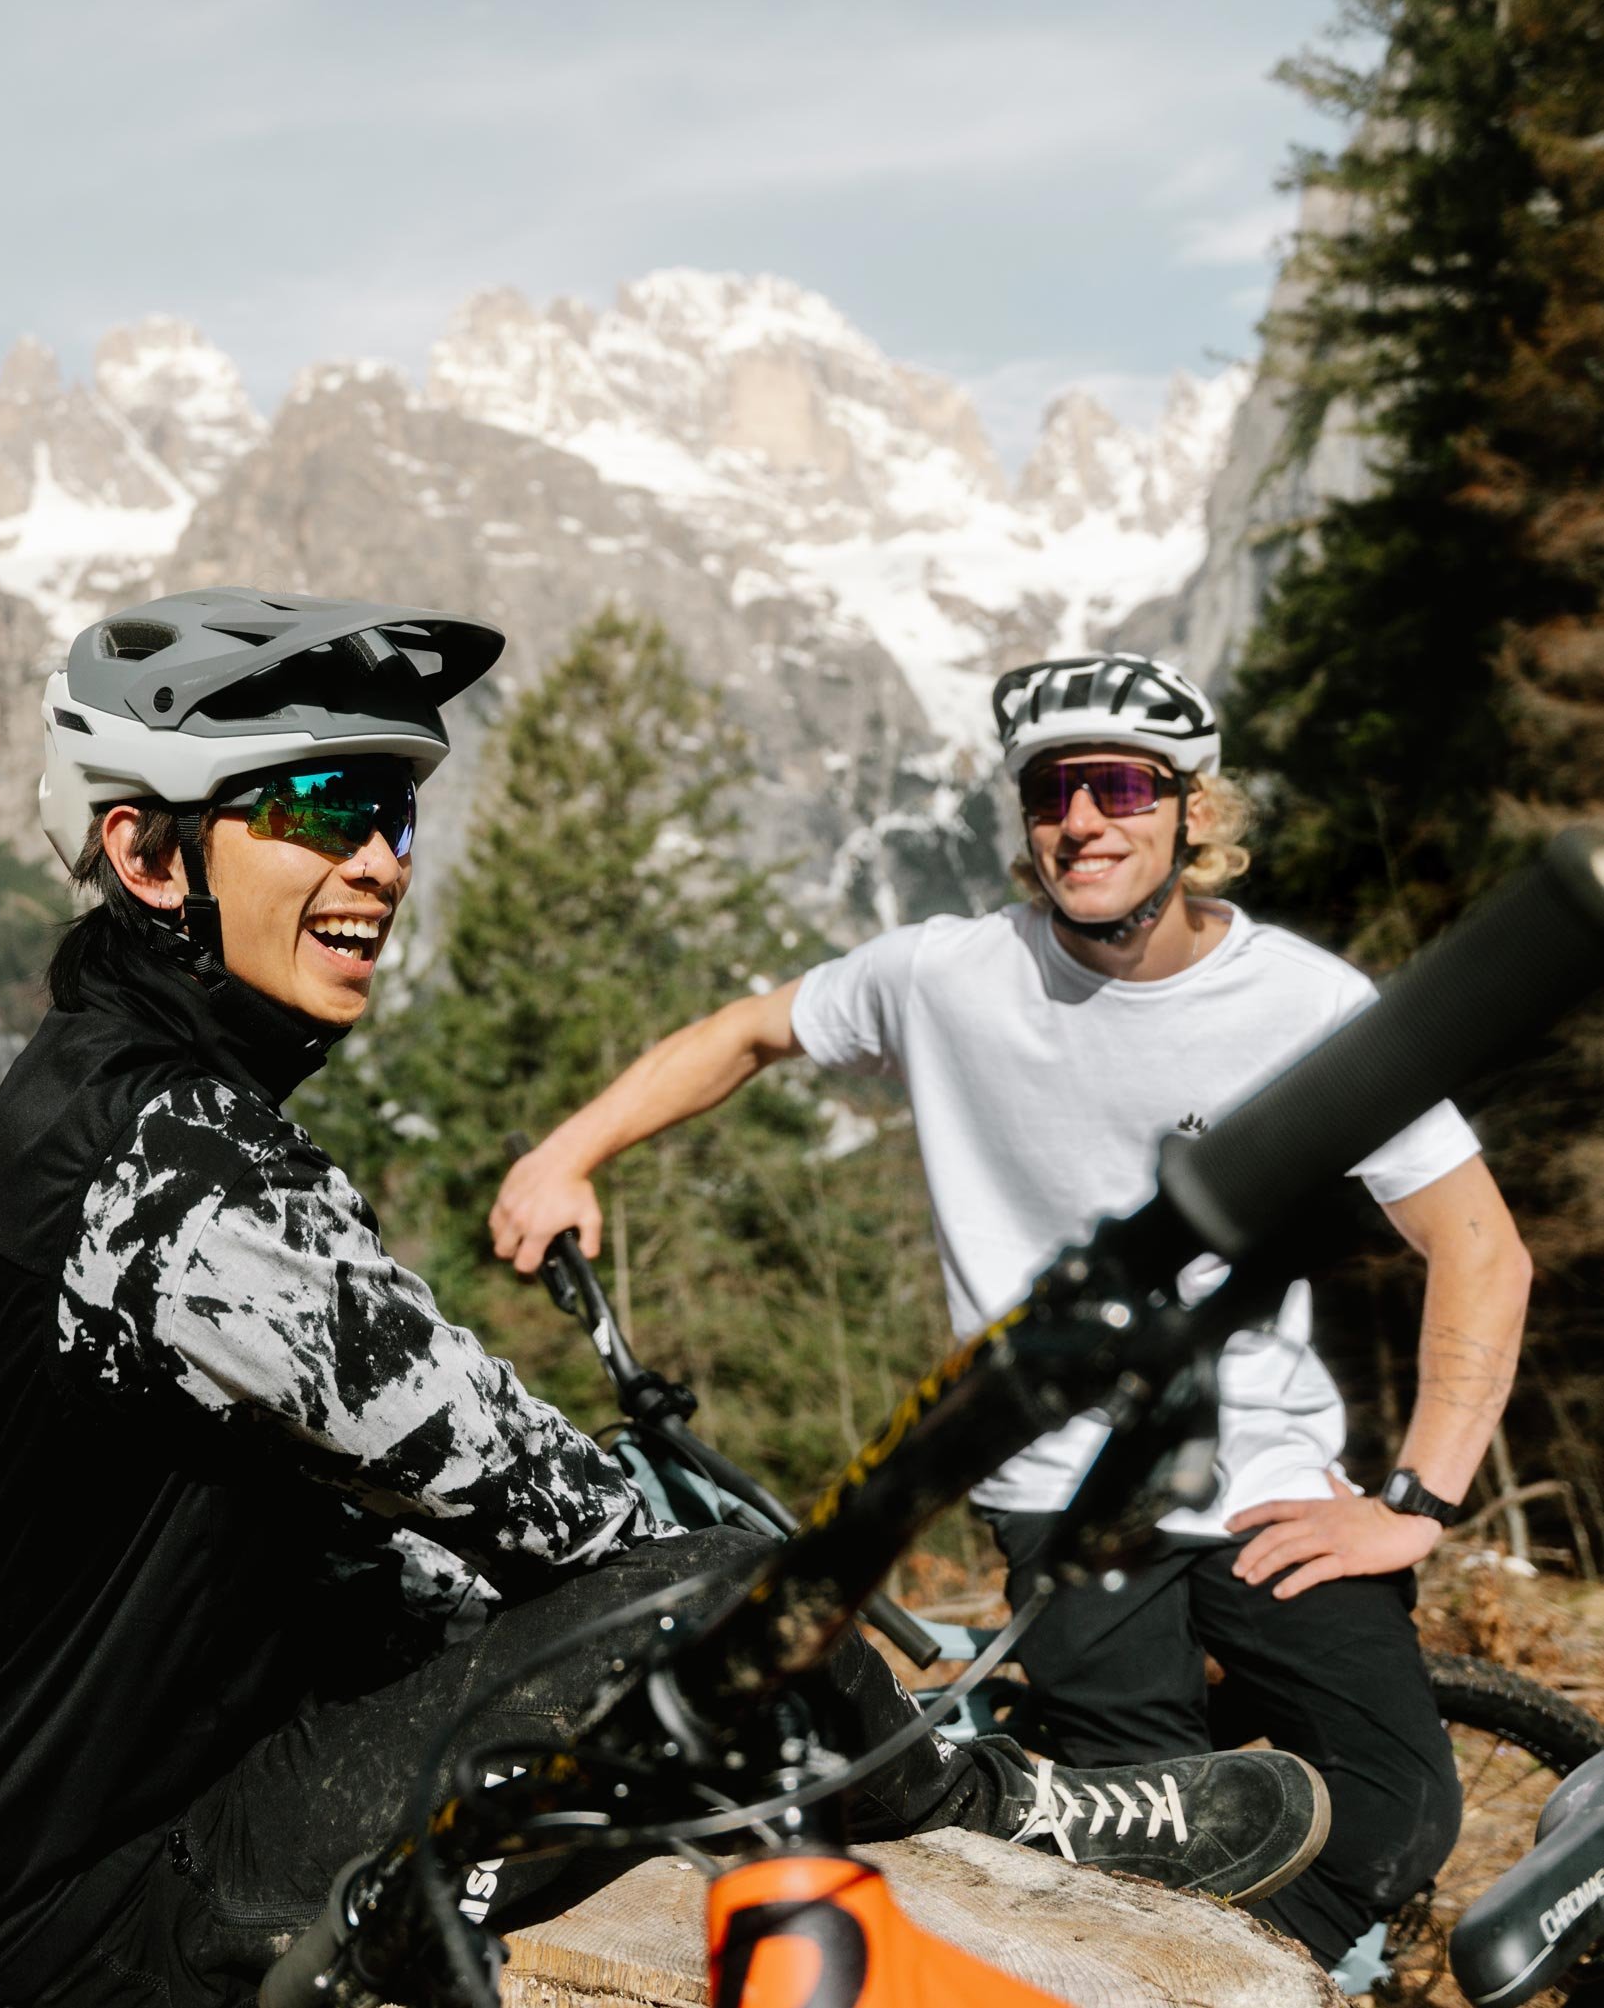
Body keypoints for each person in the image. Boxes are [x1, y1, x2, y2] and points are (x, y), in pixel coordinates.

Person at [0, 600, 1334, 2008]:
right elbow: (529, 1492)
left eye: (396, 814)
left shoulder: (124, 1085)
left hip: (99, 1799)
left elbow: (323, 1526)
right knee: (705, 1588)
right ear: (145, 851)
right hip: (112, 1880)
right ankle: (996, 1810)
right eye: (323, 805)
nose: (381, 860)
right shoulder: (172, 1164)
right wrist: (736, 1606)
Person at [493, 649, 1535, 1973]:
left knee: (1398, 1808)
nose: (1082, 819)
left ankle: (1239, 1984)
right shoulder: (949, 974)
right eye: (1052, 791)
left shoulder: (1308, 1004)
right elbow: (752, 1031)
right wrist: (564, 1154)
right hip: (1061, 1490)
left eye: (1118, 785)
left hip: (1265, 1473)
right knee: (1147, 1846)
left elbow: (1481, 1248)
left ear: (1191, 813)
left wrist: (1416, 1502)